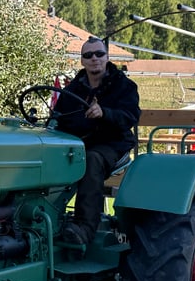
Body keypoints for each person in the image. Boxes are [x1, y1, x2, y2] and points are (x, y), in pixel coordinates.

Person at [53, 37, 140, 248]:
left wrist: (105, 113)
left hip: (112, 144)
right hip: (78, 143)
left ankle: (84, 229)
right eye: (88, 55)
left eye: (99, 54)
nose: (94, 59)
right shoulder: (73, 89)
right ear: (82, 61)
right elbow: (60, 117)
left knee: (91, 160)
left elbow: (130, 117)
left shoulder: (124, 86)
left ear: (107, 57)